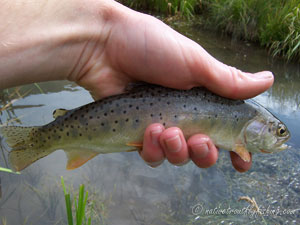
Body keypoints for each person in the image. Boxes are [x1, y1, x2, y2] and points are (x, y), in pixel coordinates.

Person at [0, 0, 273, 172]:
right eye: (280, 132)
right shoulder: (244, 113)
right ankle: (38, 139)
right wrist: (102, 37)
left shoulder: (243, 119)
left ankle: (41, 139)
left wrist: (102, 38)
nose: (281, 137)